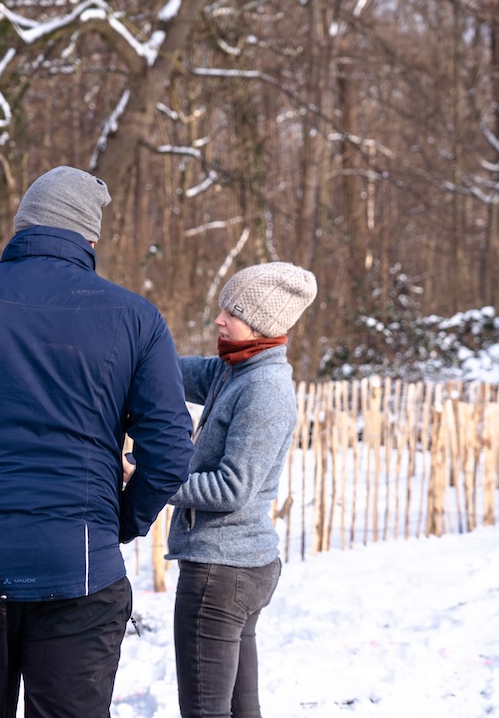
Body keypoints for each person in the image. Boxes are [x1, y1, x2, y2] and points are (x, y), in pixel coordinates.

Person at [0, 166, 195, 718]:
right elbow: (168, 454)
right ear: (89, 238)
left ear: (22, 227)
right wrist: (119, 521)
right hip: (81, 570)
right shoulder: (136, 318)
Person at [166, 261, 317, 718]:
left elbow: (232, 489)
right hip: (237, 568)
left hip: (221, 571)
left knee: (205, 711)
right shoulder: (233, 370)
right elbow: (170, 372)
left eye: (230, 312)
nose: (219, 319)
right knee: (238, 709)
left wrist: (150, 478)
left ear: (260, 324)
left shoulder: (264, 388)